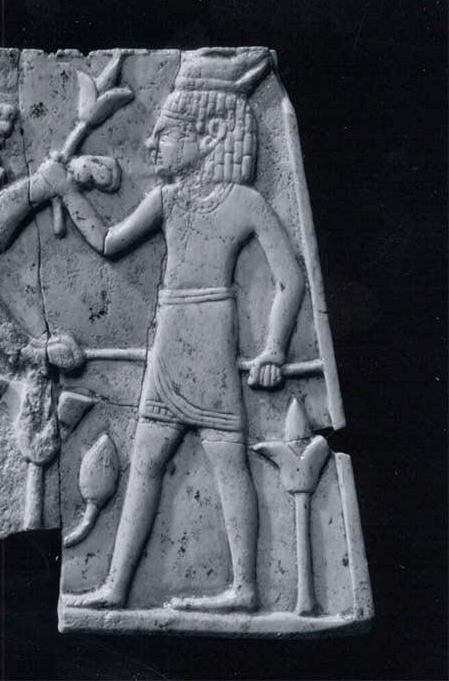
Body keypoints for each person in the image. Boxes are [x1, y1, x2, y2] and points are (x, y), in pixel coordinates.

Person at [49, 47, 305, 612]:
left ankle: (245, 588)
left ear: (208, 137)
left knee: (228, 464)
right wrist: (67, 190)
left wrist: (273, 348)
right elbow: (109, 243)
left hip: (210, 339)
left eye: (165, 134)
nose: (150, 143)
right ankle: (117, 586)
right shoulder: (167, 200)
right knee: (145, 464)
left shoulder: (244, 202)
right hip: (171, 336)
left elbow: (290, 280)